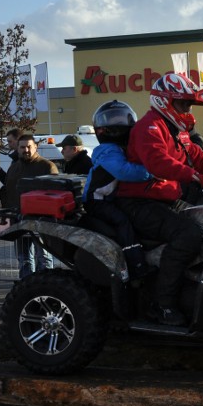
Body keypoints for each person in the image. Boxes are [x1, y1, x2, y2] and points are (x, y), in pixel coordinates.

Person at [116, 73, 203, 327]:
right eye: (183, 104)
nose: (187, 110)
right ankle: (163, 305)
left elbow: (198, 156)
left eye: (189, 105)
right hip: (140, 203)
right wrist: (193, 175)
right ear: (165, 102)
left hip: (165, 200)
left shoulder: (176, 131)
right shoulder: (149, 127)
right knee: (188, 235)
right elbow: (158, 162)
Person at [82, 100, 155, 279]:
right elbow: (124, 172)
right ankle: (136, 265)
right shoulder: (109, 151)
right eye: (113, 119)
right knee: (122, 221)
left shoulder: (117, 149)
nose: (118, 123)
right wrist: (153, 172)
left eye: (121, 119)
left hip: (106, 198)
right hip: (96, 201)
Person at [5, 133, 59, 279]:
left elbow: (55, 194)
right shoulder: (13, 168)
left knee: (44, 258)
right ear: (17, 148)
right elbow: (9, 192)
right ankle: (27, 288)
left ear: (36, 147)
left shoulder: (47, 166)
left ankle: (48, 287)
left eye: (29, 146)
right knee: (24, 260)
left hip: (42, 222)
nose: (26, 150)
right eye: (22, 147)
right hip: (19, 221)